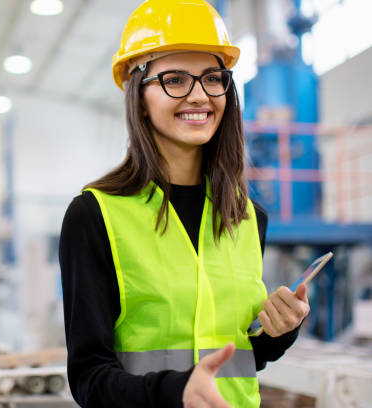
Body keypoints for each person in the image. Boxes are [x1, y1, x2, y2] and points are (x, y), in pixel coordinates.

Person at [58, 1, 311, 407]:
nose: (199, 96)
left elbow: (242, 359)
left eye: (213, 78)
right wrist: (175, 391)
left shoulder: (248, 217)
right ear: (138, 95)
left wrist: (278, 331)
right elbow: (89, 379)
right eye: (175, 80)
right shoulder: (95, 215)